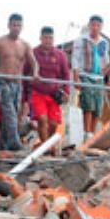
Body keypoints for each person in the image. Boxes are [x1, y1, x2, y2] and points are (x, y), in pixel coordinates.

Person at [0, 14, 38, 151]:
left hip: (17, 83)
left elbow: (34, 62)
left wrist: (35, 73)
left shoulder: (25, 45)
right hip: (3, 81)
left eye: (19, 25)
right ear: (9, 25)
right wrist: (0, 73)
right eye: (14, 24)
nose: (16, 28)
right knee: (9, 111)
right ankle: (14, 142)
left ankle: (3, 144)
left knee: (14, 113)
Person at [29, 26, 71, 154]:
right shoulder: (33, 53)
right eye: (45, 38)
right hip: (37, 92)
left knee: (53, 123)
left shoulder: (60, 55)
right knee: (42, 119)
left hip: (54, 94)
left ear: (53, 39)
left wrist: (66, 92)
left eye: (50, 38)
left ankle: (46, 145)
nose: (48, 40)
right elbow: (25, 72)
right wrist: (25, 97)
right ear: (40, 38)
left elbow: (66, 75)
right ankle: (45, 149)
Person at [71, 15, 110, 139]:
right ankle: (86, 133)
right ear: (89, 25)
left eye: (98, 25)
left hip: (99, 77)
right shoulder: (81, 40)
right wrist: (76, 77)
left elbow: (106, 60)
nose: (95, 27)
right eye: (93, 25)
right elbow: (75, 59)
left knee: (98, 107)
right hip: (85, 75)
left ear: (101, 27)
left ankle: (92, 134)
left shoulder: (104, 42)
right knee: (88, 105)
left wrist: (109, 77)